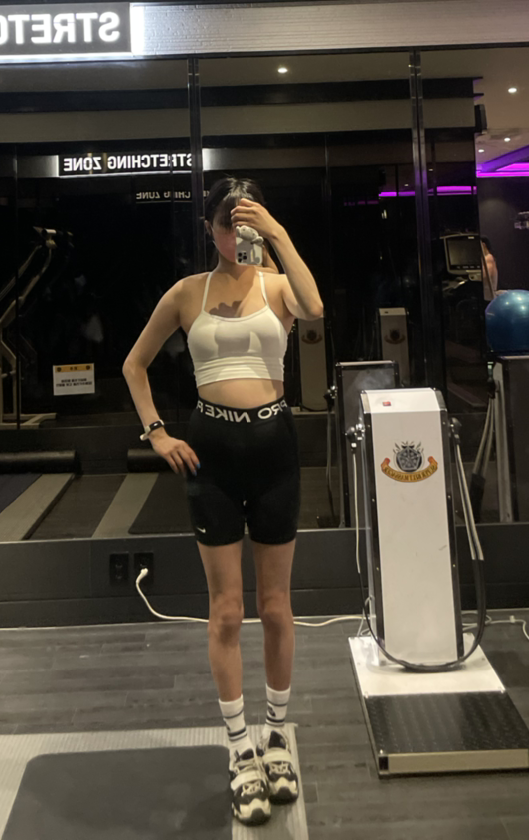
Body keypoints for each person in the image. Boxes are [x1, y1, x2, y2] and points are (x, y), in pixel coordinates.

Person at [122, 176, 324, 827]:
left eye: (246, 226)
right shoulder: (187, 293)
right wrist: (157, 433)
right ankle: (240, 751)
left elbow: (315, 308)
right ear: (209, 230)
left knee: (277, 607)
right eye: (226, 227)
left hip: (273, 450)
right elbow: (134, 365)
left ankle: (276, 739)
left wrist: (278, 233)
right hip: (210, 455)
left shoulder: (279, 286)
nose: (236, 239)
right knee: (228, 612)